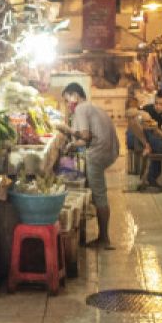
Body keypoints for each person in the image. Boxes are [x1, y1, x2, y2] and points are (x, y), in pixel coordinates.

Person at [60, 83, 120, 249]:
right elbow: (88, 137)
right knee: (96, 190)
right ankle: (101, 235)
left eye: (67, 99)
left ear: (75, 96)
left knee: (99, 194)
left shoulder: (80, 109)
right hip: (110, 151)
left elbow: (85, 136)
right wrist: (73, 145)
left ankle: (104, 239)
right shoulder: (93, 107)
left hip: (98, 154)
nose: (67, 104)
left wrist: (68, 130)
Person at [127, 90, 162, 189]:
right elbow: (128, 112)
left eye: (161, 104)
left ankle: (161, 178)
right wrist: (140, 112)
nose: (158, 106)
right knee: (133, 120)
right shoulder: (150, 109)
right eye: (156, 103)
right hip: (147, 140)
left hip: (161, 142)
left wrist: (157, 130)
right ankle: (147, 145)